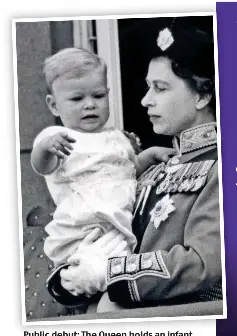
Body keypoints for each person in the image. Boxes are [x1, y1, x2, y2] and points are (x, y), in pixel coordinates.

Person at [46, 18, 222, 313]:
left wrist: (112, 273)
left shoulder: (222, 169)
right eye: (147, 87)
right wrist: (73, 276)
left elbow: (206, 264)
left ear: (202, 95)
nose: (145, 100)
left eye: (160, 88)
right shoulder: (151, 170)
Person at [31, 47, 173, 289]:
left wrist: (149, 156)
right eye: (77, 99)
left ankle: (95, 299)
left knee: (121, 276)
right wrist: (45, 148)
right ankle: (67, 283)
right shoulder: (58, 137)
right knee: (96, 273)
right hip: (84, 230)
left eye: (98, 96)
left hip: (119, 227)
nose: (90, 105)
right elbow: (41, 166)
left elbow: (128, 171)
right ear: (54, 105)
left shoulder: (117, 137)